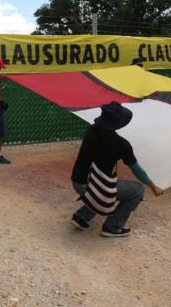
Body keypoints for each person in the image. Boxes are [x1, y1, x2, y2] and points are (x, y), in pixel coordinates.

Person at [69, 101, 164, 237]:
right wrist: (154, 187)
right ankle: (112, 227)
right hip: (93, 187)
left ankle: (81, 217)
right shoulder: (121, 144)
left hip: (77, 180)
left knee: (105, 186)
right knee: (136, 190)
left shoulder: (92, 130)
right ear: (119, 123)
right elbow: (137, 171)